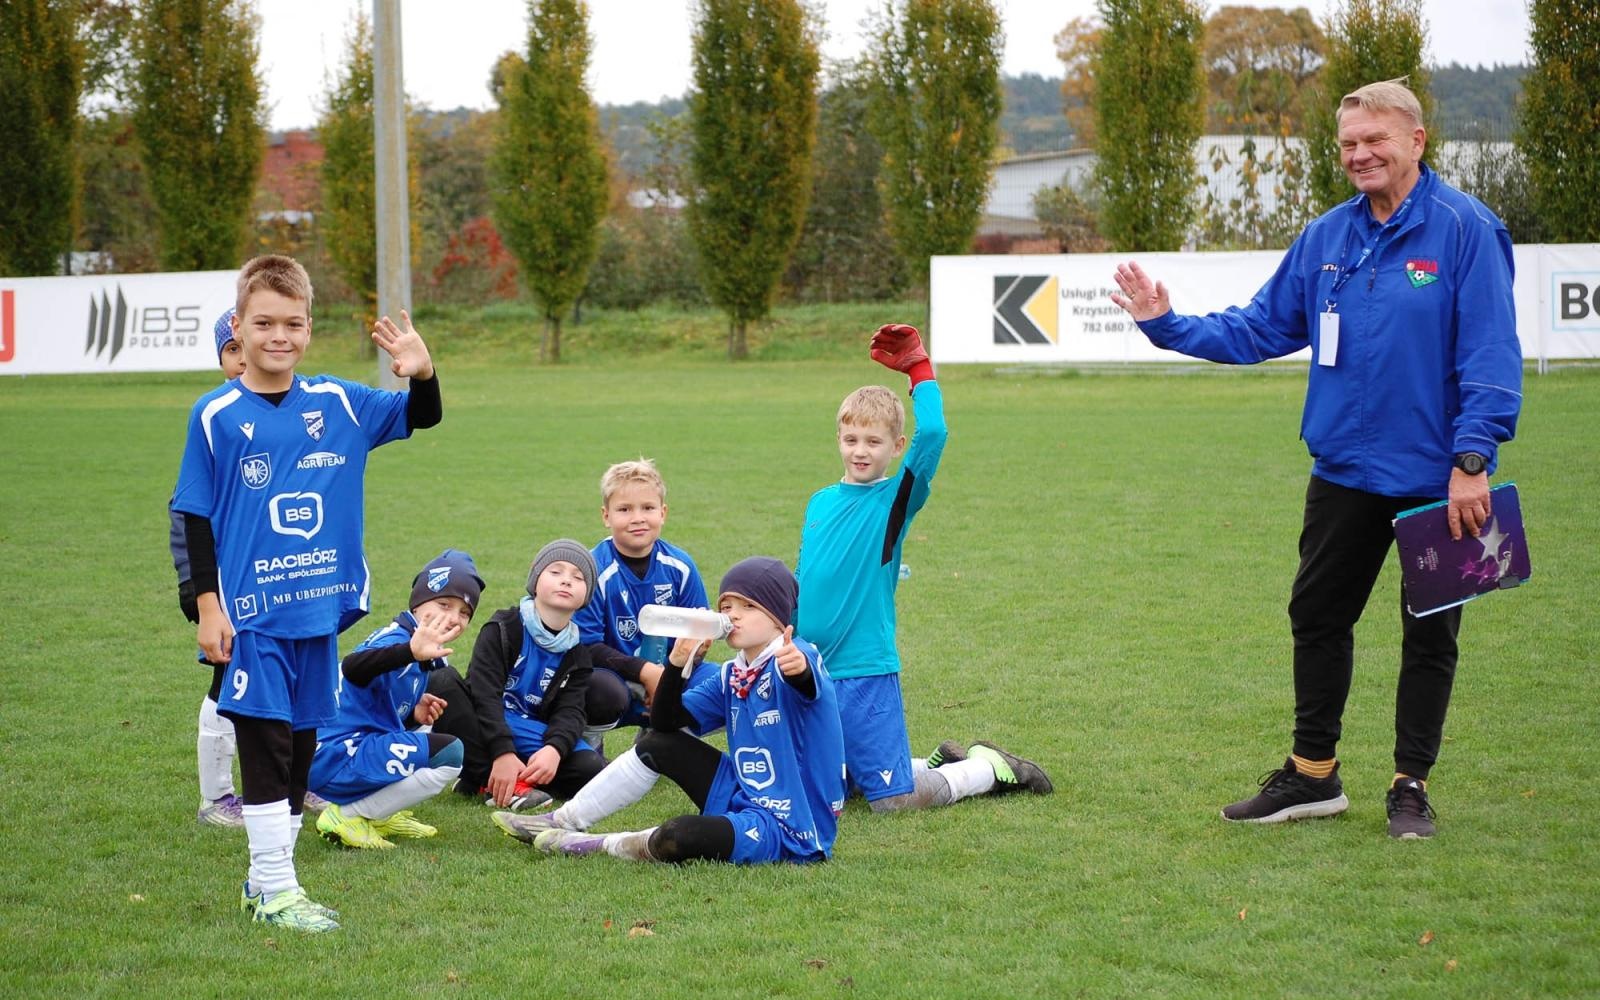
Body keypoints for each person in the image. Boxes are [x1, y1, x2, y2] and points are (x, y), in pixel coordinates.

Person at [1108, 79, 1522, 839]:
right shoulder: (1328, 237)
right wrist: (1165, 325)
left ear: (1416, 142)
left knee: (1430, 631)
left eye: (1376, 140)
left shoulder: (1467, 229)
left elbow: (1491, 352)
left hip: (1440, 477)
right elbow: (1260, 328)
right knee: (1316, 615)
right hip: (1343, 471)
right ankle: (1312, 777)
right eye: (1348, 144)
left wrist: (1473, 457)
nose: (1360, 155)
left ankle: (1409, 786)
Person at [171, 254, 442, 932]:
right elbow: (194, 515)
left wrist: (425, 371)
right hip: (252, 615)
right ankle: (273, 888)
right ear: (239, 326)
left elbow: (423, 418)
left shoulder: (339, 402)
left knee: (298, 749)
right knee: (265, 747)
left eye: (292, 323)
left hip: (318, 612)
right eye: (263, 322)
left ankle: (270, 884)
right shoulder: (217, 415)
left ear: (308, 327)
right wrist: (208, 608)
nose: (278, 335)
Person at [795, 323, 1053, 811]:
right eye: (851, 439)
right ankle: (932, 761)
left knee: (891, 804)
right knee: (827, 790)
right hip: (811, 668)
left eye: (874, 441)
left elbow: (935, 432)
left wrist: (918, 368)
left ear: (896, 446)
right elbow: (804, 578)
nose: (860, 451)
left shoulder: (894, 499)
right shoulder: (819, 502)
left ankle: (984, 768)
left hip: (864, 669)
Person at [495, 557, 846, 866]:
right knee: (659, 743)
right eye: (727, 606)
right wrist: (678, 666)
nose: (733, 615)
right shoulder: (733, 673)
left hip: (790, 824)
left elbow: (805, 681)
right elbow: (664, 724)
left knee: (680, 834)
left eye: (748, 607)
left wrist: (796, 668)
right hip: (743, 791)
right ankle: (562, 820)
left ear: (777, 615)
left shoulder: (798, 654)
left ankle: (592, 845)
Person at [308, 550, 482, 850]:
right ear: (418, 602)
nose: (453, 617)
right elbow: (353, 667)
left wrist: (414, 713)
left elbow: (373, 705)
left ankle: (379, 815)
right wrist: (410, 652)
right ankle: (348, 816)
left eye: (464, 612)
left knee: (424, 730)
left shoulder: (417, 644)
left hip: (346, 745)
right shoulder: (398, 642)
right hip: (332, 756)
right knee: (450, 754)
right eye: (444, 604)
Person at [428, 539, 614, 809]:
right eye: (555, 572)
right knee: (442, 683)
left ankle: (479, 776)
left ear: (587, 594)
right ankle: (504, 781)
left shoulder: (578, 653)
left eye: (578, 577)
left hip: (529, 732)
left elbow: (571, 712)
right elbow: (484, 694)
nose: (566, 581)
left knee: (590, 768)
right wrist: (502, 751)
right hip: (486, 722)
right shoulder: (504, 627)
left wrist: (554, 749)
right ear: (535, 578)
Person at [574, 458, 719, 752]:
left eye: (648, 508)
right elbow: (585, 647)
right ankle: (588, 746)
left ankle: (663, 736)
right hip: (617, 679)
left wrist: (688, 660)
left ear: (663, 513)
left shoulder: (680, 566)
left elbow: (698, 630)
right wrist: (647, 673)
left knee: (725, 683)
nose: (637, 517)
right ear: (606, 515)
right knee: (597, 691)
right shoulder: (593, 569)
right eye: (625, 509)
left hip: (672, 674)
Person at [174, 309, 248, 827]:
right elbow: (190, 512)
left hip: (272, 578)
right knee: (230, 680)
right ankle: (217, 799)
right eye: (232, 349)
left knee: (282, 683)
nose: (245, 358)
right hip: (216, 585)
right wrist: (203, 596)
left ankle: (297, 782)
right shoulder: (214, 419)